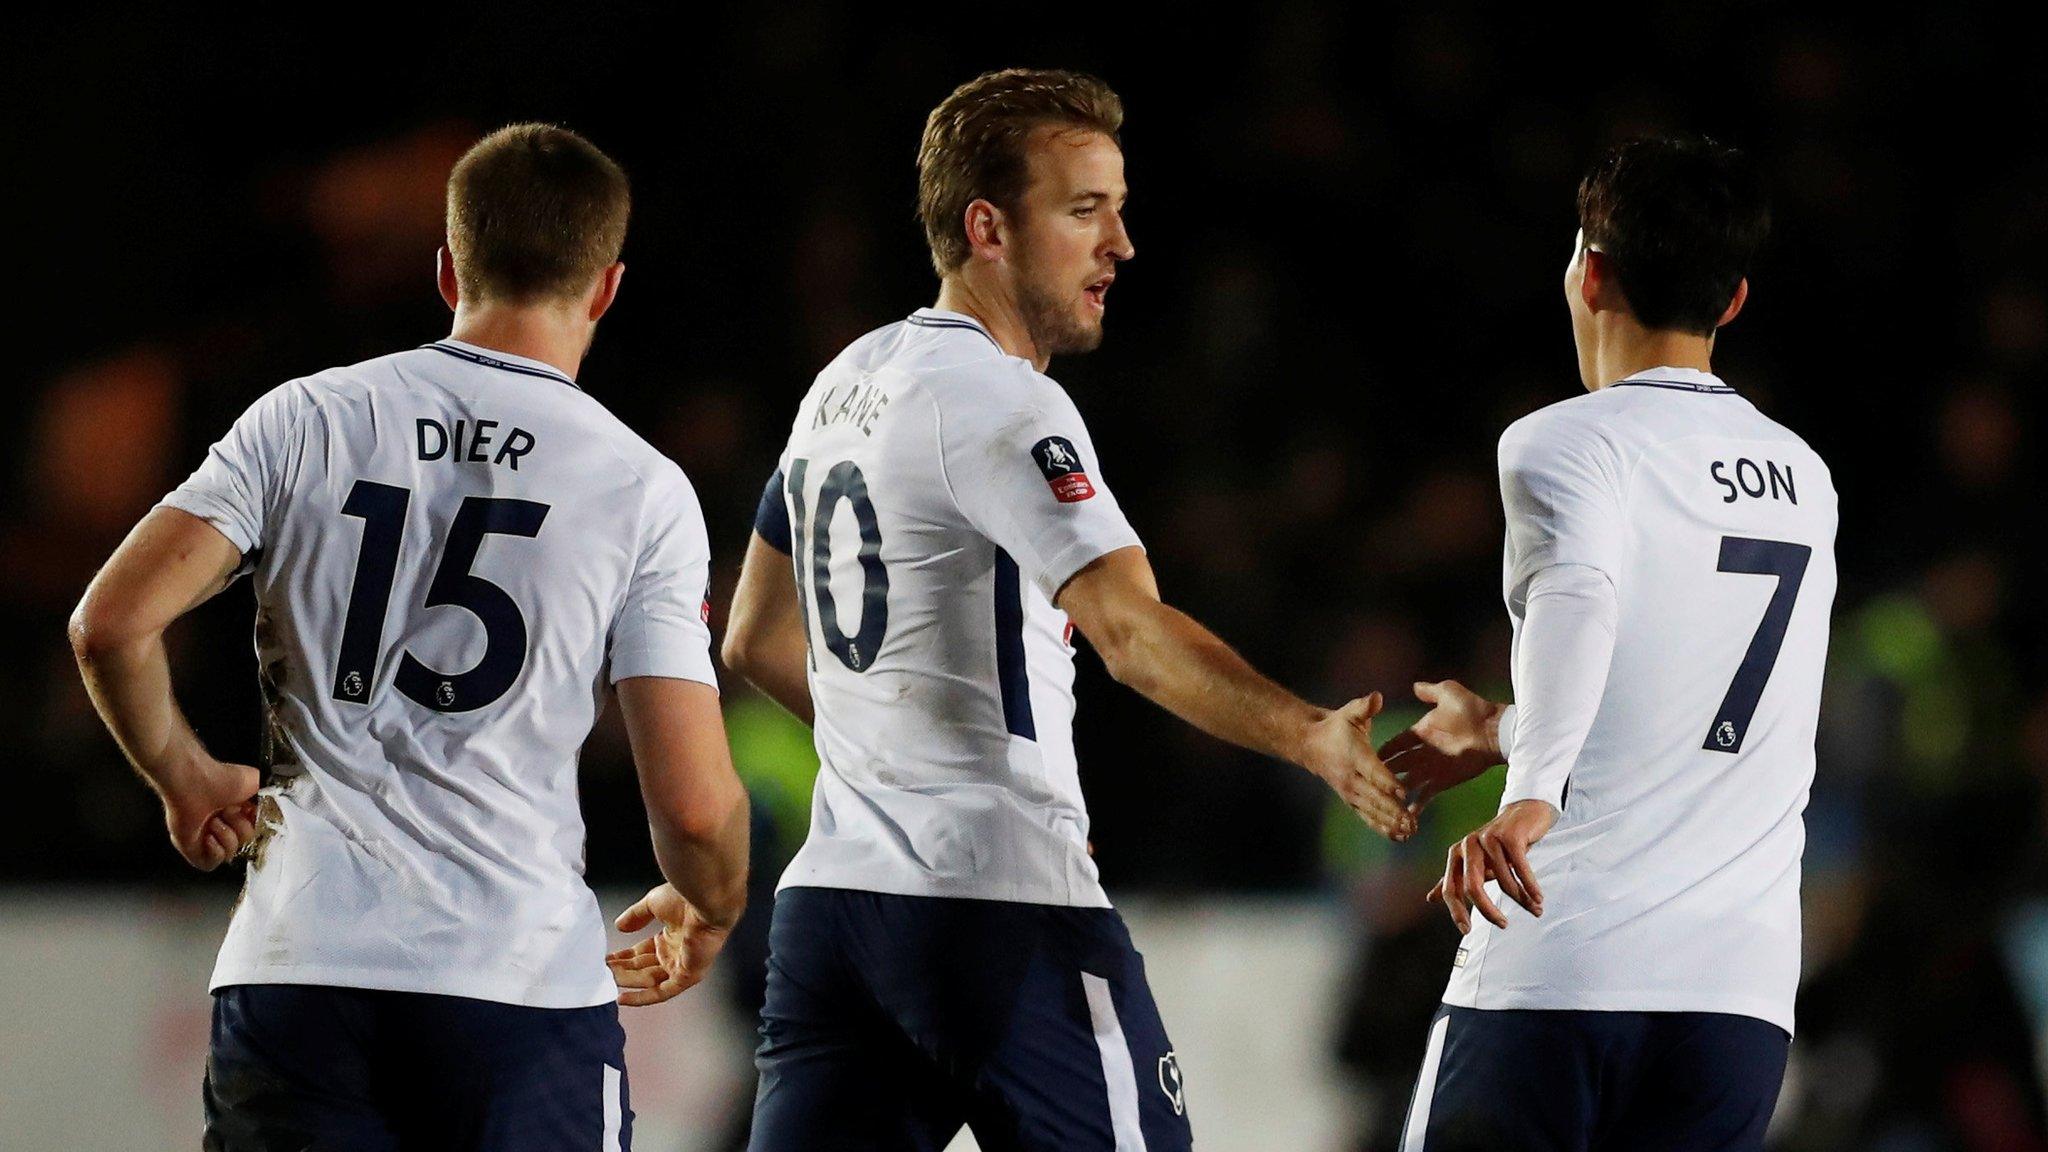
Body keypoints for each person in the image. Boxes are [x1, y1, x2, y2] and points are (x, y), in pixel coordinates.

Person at [720, 67, 1412, 1151]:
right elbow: (1130, 635)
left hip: (833, 912)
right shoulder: (1002, 399)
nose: (1120, 244)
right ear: (986, 226)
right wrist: (1308, 734)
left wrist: (889, 748)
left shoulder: (841, 383)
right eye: (1084, 209)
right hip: (995, 900)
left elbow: (753, 638)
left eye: (1119, 208)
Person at [67, 123, 748, 1151]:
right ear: (606, 287)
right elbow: (693, 807)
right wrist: (711, 904)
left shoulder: (305, 418)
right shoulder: (638, 487)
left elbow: (109, 623)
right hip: (513, 992)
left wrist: (183, 773)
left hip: (298, 973)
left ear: (446, 269)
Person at [1382, 135, 1838, 1150]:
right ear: (1731, 301)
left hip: (1563, 964)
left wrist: (1529, 785)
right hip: (1735, 1000)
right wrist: (1504, 729)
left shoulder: (1561, 443)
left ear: (1588, 272)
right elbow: (1687, 712)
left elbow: (1574, 603)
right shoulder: (1804, 476)